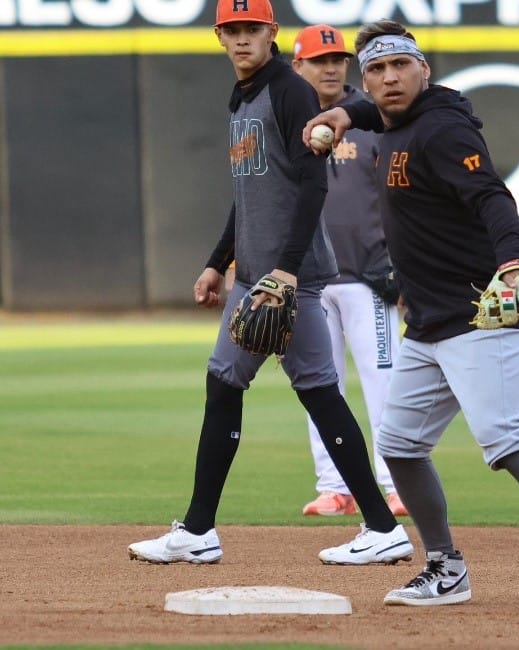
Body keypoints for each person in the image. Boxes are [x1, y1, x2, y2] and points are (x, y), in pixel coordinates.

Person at [306, 20, 519, 613]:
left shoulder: (441, 128)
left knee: (503, 438)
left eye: (400, 66)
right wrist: (341, 116)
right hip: (429, 322)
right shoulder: (392, 119)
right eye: (376, 70)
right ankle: (445, 568)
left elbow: (491, 196)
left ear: (423, 70)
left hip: (482, 314)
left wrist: (513, 262)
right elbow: (371, 110)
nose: (388, 79)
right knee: (400, 445)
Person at [127, 0, 413, 567]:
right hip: (255, 279)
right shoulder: (244, 97)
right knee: (227, 384)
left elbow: (312, 186)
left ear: (270, 33)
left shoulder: (289, 91)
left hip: (289, 281)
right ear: (219, 36)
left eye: (250, 29)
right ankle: (200, 529)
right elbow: (250, 194)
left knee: (316, 394)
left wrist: (286, 270)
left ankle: (381, 528)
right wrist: (217, 260)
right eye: (231, 31)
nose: (240, 40)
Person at [290, 24, 407, 518]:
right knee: (321, 385)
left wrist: (402, 266)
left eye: (338, 58)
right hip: (309, 281)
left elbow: (401, 196)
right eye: (320, 60)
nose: (331, 67)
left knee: (385, 382)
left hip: (367, 278)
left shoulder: (372, 118)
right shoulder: (283, 117)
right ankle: (334, 486)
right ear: (299, 67)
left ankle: (397, 482)